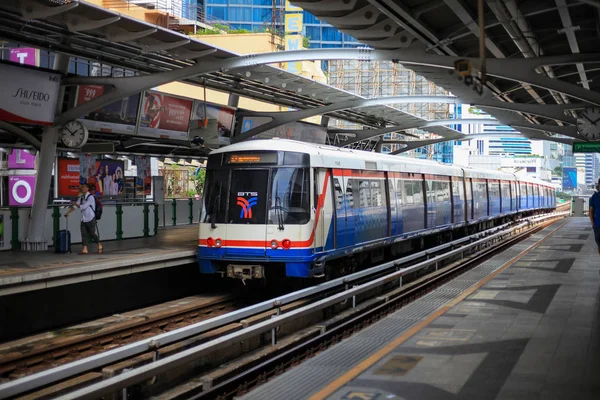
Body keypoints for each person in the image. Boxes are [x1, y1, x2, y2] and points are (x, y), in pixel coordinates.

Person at [65, 183, 103, 255]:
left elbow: (84, 206)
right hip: (83, 218)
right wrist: (68, 212)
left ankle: (99, 245)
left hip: (90, 218)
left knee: (92, 234)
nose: (82, 188)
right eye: (82, 187)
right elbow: (75, 207)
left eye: (83, 187)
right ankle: (85, 249)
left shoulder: (90, 197)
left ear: (87, 188)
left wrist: (75, 203)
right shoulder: (82, 197)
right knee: (84, 234)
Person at [589, 178, 600, 255]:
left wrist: (593, 224)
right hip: (597, 225)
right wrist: (593, 224)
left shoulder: (595, 196)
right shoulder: (595, 196)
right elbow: (591, 211)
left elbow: (591, 211)